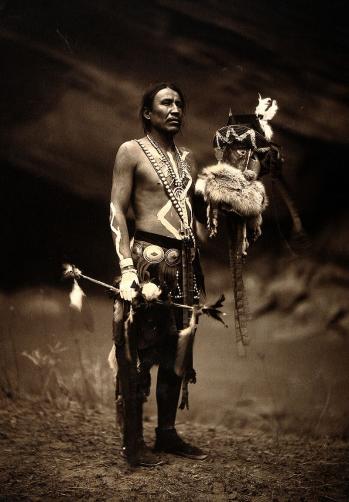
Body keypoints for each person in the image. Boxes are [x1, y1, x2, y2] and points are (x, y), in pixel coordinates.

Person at [110, 82, 207, 467]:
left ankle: (166, 434)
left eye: (180, 103)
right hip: (147, 261)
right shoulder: (131, 151)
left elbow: (195, 222)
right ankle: (133, 443)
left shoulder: (189, 159)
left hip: (185, 264)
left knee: (177, 352)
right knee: (138, 353)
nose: (175, 108)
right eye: (166, 102)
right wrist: (126, 268)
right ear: (148, 113)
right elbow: (117, 209)